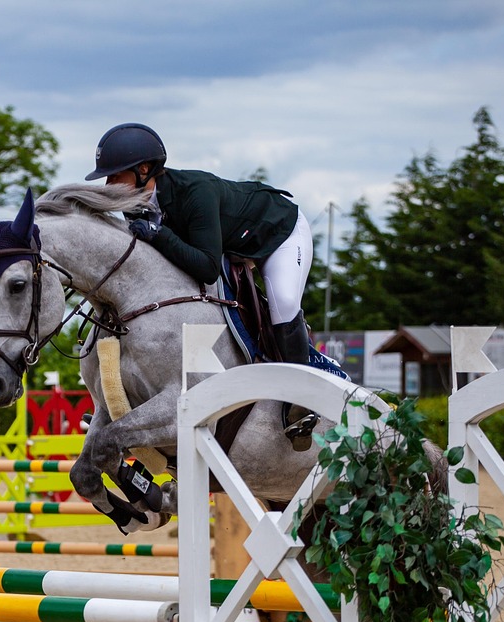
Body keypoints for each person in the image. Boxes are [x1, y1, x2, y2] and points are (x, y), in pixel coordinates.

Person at [84, 122, 331, 442]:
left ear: (144, 170)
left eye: (115, 175)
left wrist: (160, 235)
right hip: (231, 244)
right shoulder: (135, 207)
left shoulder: (195, 194)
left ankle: (302, 401)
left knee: (283, 301)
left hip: (278, 232)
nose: (108, 183)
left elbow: (206, 267)